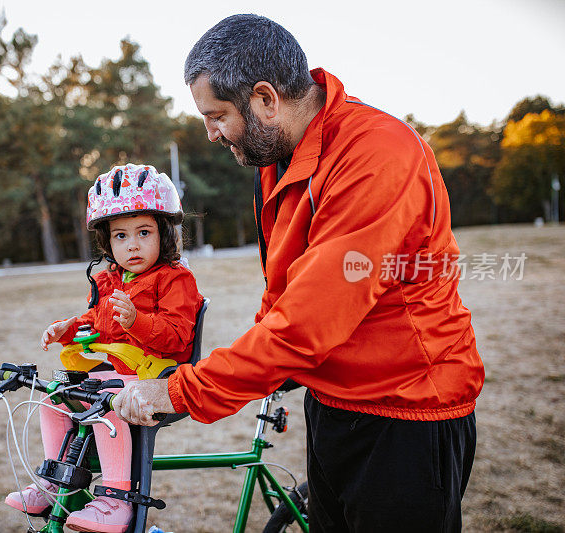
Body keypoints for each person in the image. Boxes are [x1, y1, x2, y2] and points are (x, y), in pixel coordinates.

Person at [113, 14, 484, 532]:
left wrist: (181, 391)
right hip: (332, 400)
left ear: (266, 99)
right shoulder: (276, 156)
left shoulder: (377, 154)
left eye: (216, 115)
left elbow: (308, 322)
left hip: (407, 410)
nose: (211, 133)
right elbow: (282, 293)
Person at [4, 163, 202, 533]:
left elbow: (179, 336)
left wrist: (136, 323)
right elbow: (96, 319)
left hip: (157, 375)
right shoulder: (110, 279)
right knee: (55, 396)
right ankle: (52, 481)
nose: (133, 244)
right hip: (119, 373)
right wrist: (68, 328)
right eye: (121, 236)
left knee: (104, 403)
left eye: (144, 232)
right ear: (107, 242)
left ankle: (116, 499)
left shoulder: (175, 278)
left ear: (165, 234)